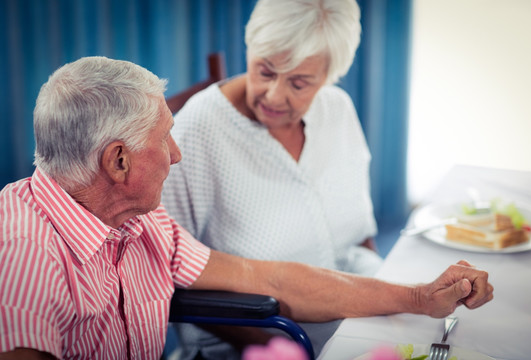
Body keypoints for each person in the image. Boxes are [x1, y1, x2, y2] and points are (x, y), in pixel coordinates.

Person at [0, 56, 493, 360]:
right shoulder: (24, 252)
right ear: (119, 160)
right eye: (165, 138)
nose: (176, 153)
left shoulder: (143, 221)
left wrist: (419, 298)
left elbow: (273, 281)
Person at [161, 0, 379, 357]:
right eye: (265, 71)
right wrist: (293, 351)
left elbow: (362, 236)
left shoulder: (337, 110)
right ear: (250, 49)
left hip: (356, 324)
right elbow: (171, 278)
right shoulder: (198, 130)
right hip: (266, 342)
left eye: (299, 83)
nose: (275, 96)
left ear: (328, 76)